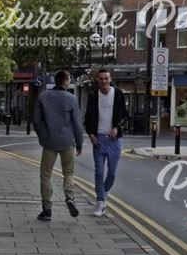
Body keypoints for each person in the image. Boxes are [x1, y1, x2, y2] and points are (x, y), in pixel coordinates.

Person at [32, 70, 83, 221]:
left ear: (55, 80)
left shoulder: (43, 96)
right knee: (69, 172)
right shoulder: (72, 98)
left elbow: (36, 120)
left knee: (45, 175)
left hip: (49, 142)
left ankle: (47, 210)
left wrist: (42, 135)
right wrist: (79, 143)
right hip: (68, 142)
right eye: (69, 80)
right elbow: (78, 124)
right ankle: (69, 197)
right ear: (66, 81)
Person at [83, 68, 129, 217]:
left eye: (106, 78)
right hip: (98, 139)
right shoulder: (93, 96)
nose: (103, 81)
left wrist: (116, 127)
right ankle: (101, 202)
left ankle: (103, 191)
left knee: (112, 173)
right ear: (97, 80)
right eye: (101, 79)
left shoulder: (118, 94)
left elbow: (124, 115)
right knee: (99, 171)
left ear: (110, 79)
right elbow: (88, 117)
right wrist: (91, 134)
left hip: (114, 140)